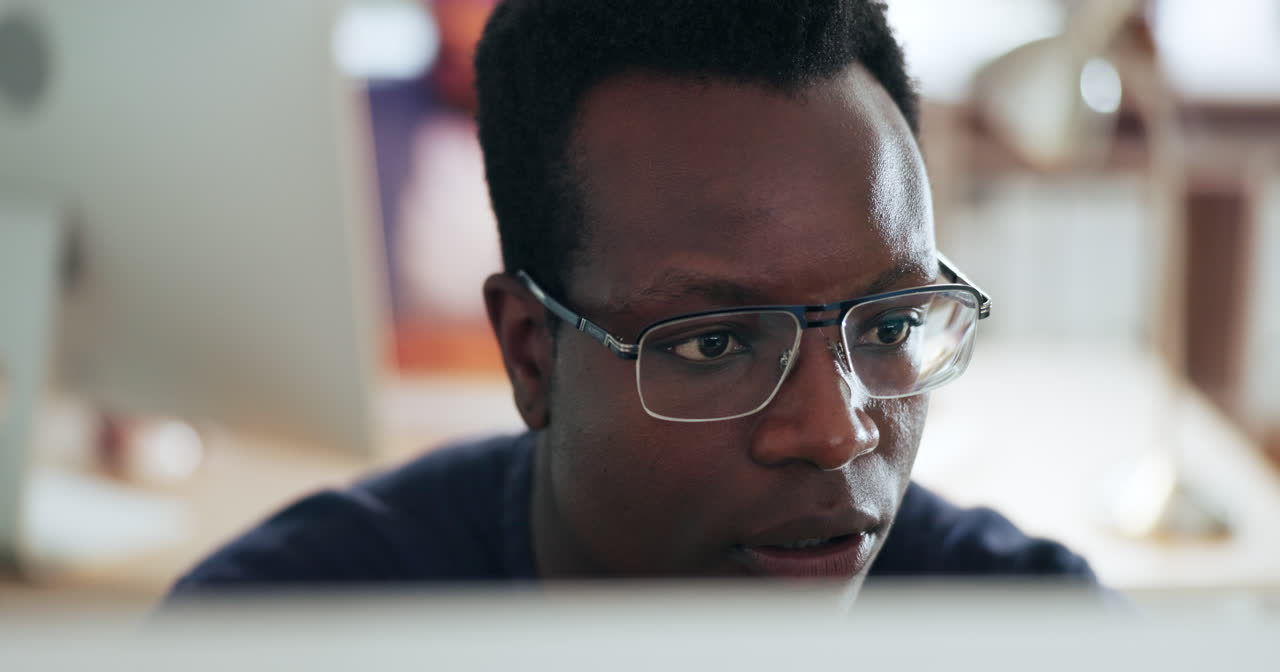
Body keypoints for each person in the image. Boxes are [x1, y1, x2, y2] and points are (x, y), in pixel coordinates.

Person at [171, 0, 1095, 594]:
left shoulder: (1041, 648)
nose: (835, 431)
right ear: (532, 354)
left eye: (890, 323)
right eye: (716, 342)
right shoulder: (282, 647)